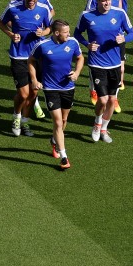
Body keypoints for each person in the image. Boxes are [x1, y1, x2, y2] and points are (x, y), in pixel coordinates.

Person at [75, 0, 133, 144]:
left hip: (115, 64)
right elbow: (76, 34)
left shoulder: (120, 14)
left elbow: (132, 33)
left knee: (111, 99)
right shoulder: (87, 16)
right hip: (97, 64)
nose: (108, 3)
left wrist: (124, 39)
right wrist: (87, 44)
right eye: (104, 1)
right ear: (97, 1)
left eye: (109, 0)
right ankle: (97, 123)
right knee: (102, 100)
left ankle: (104, 128)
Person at [0, 0, 52, 137]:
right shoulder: (13, 8)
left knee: (33, 94)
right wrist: (10, 34)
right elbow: (0, 22)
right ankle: (16, 116)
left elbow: (50, 27)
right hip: (19, 56)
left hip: (37, 57)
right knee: (23, 94)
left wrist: (44, 32)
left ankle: (25, 122)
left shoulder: (43, 9)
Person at [29, 20, 84, 170]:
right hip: (50, 88)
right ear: (57, 33)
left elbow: (80, 58)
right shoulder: (42, 46)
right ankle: (64, 157)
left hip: (68, 87)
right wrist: (34, 80)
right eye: (66, 32)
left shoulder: (72, 43)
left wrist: (77, 72)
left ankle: (54, 141)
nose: (69, 34)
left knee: (64, 119)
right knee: (58, 123)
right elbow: (31, 61)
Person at [85, 0, 127, 110]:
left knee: (120, 69)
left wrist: (122, 32)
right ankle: (93, 89)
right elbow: (88, 16)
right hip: (99, 38)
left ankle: (114, 99)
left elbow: (120, 8)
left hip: (116, 37)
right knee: (97, 68)